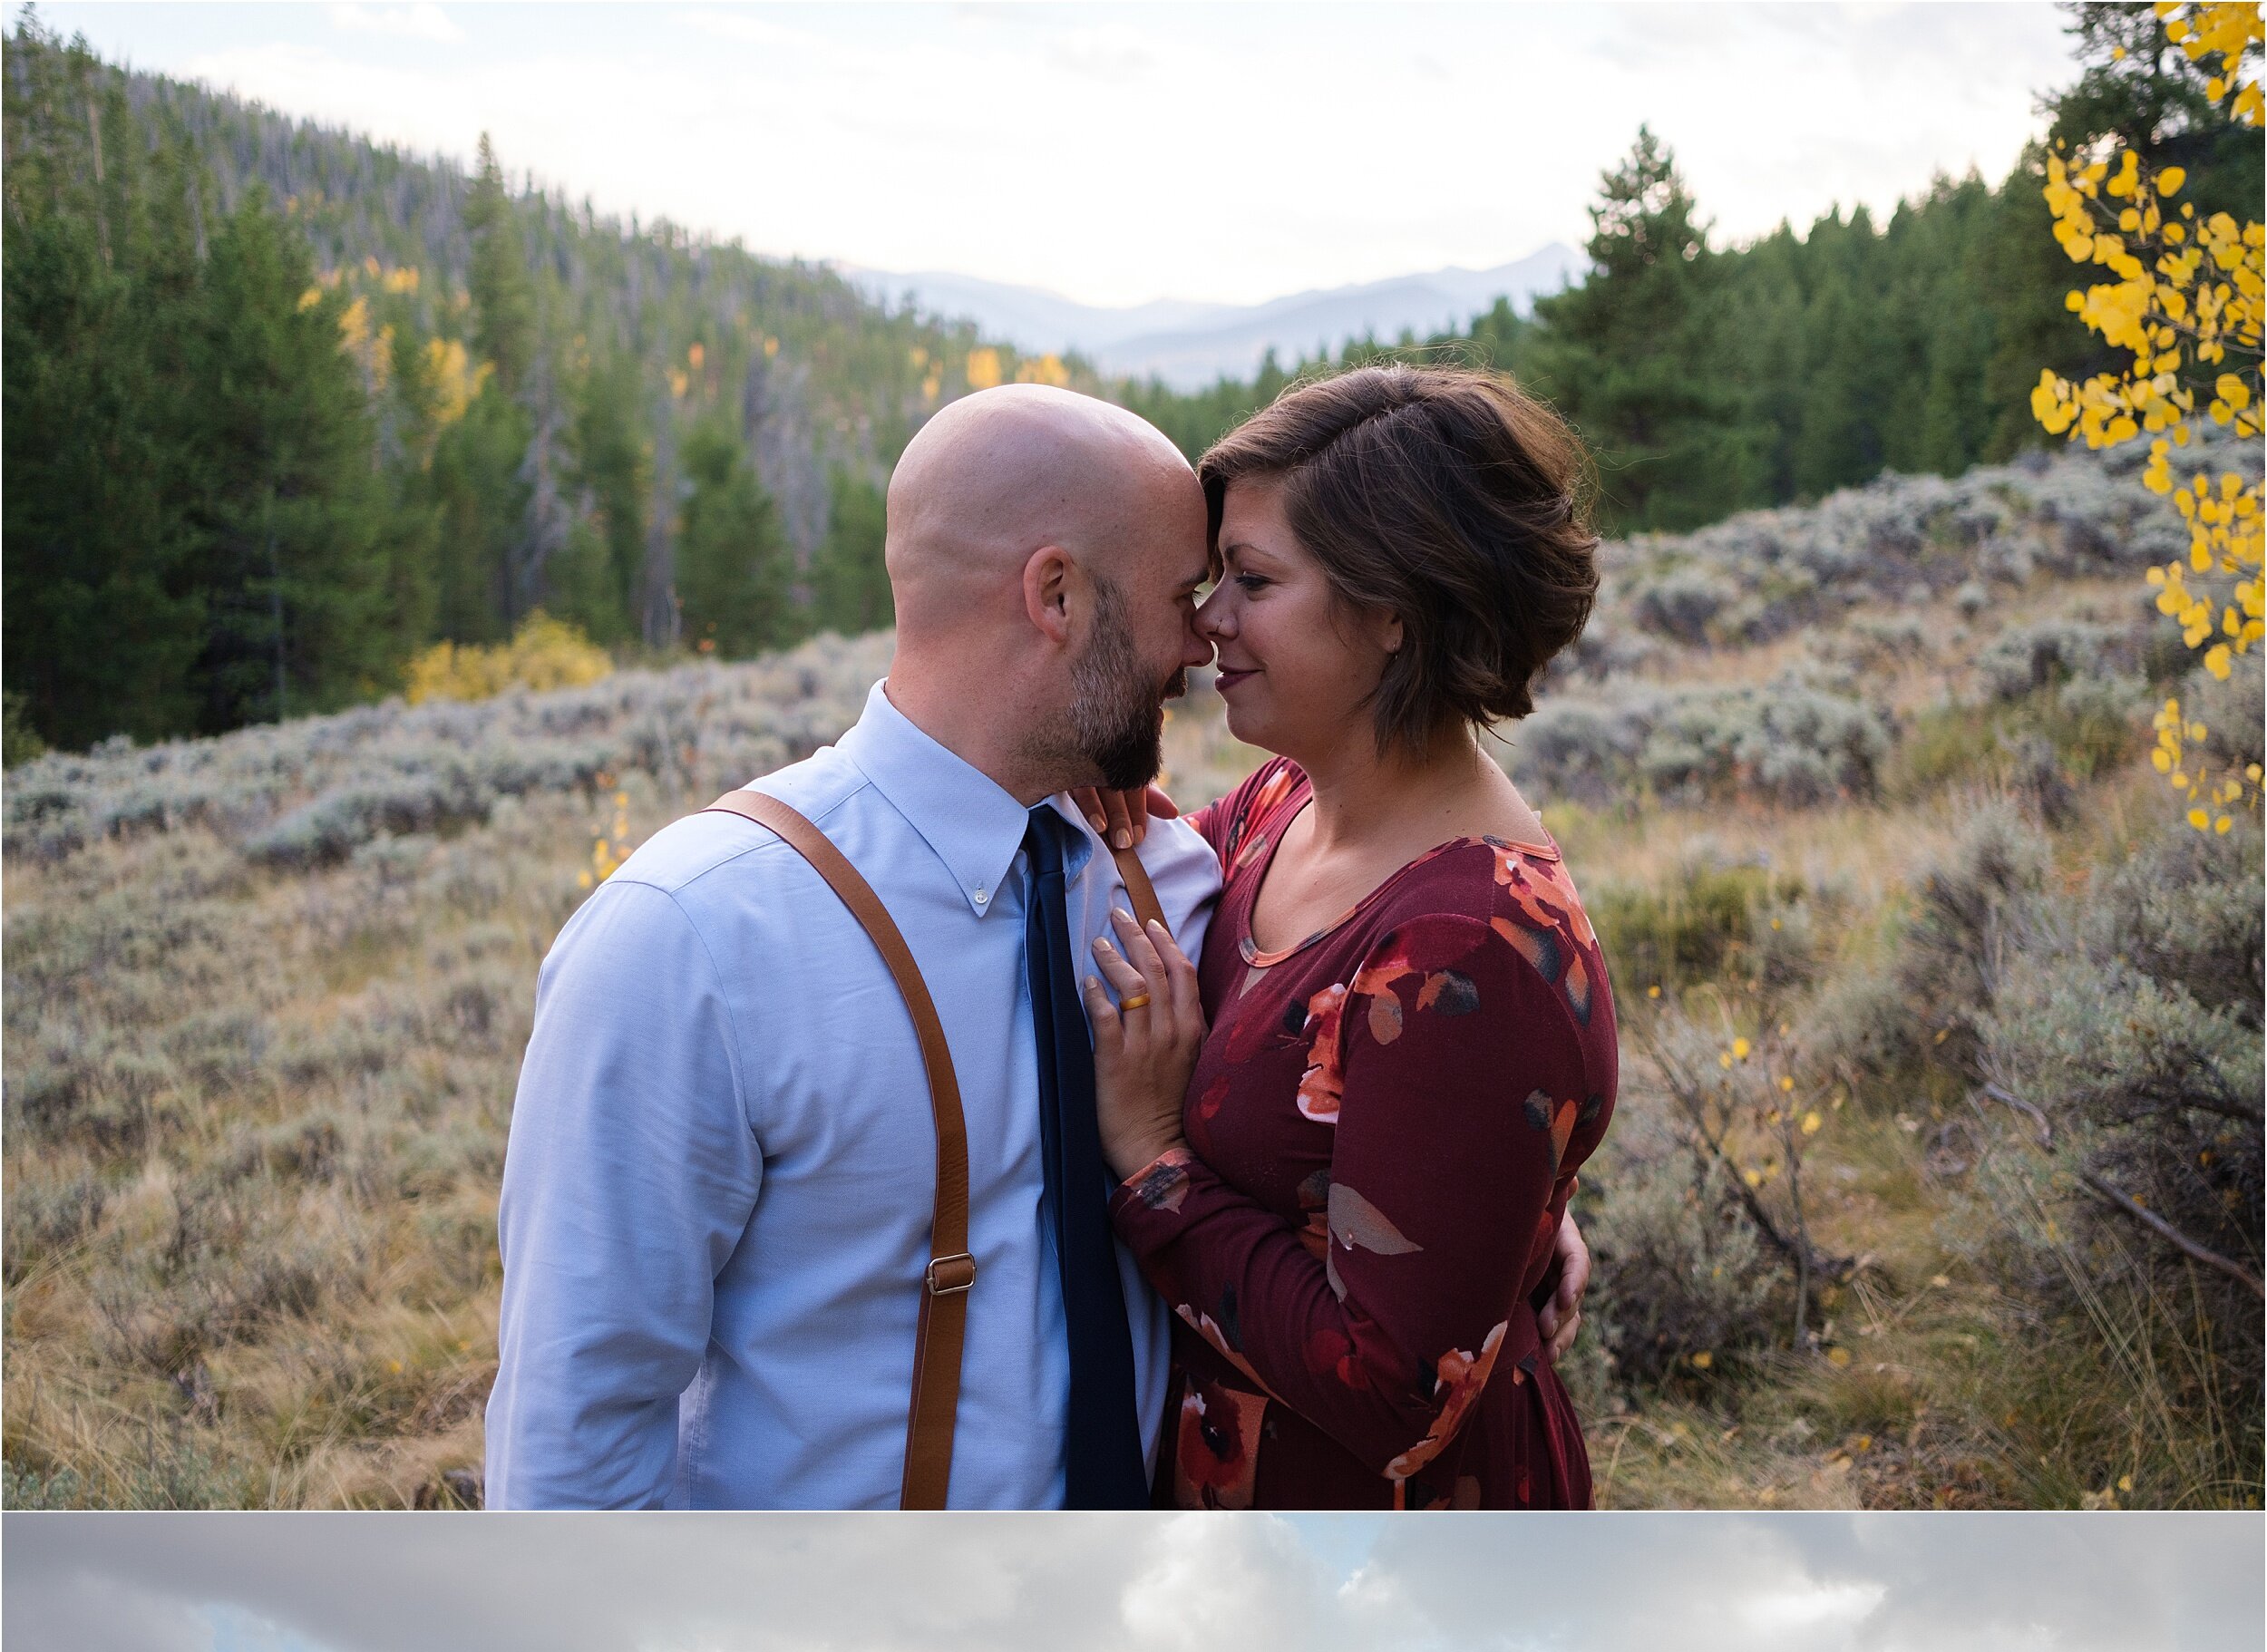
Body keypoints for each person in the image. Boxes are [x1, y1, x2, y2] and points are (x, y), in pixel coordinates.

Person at [489, 377, 1593, 1508]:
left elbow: (1428, 1048)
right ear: (1056, 595)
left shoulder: (1167, 872)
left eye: (1240, 584)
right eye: (1186, 592)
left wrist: (1502, 1213)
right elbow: (572, 1443)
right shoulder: (693, 941)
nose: (1203, 635)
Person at [1085, 364, 1618, 1509]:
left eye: (1252, 581)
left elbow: (1395, 1393)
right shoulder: (1284, 806)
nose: (1206, 618)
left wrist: (1154, 1161)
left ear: (1391, 611)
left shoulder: (1468, 950)